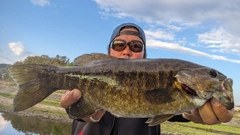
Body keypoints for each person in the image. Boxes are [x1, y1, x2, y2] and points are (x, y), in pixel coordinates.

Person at [60, 23, 235, 135]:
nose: (127, 51)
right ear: (108, 51)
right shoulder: (88, 77)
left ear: (145, 54)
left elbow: (179, 113)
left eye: (136, 46)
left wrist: (192, 113)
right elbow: (75, 109)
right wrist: (79, 112)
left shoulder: (175, 88)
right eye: (119, 45)